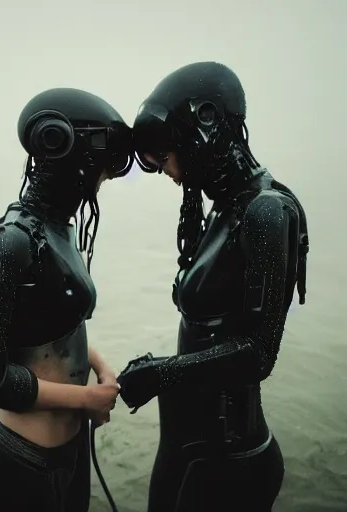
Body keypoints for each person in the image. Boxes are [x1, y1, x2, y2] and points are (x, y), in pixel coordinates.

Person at [118, 61, 310, 512]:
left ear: (204, 128)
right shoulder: (225, 208)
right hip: (187, 447)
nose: (167, 171)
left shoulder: (266, 211)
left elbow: (258, 353)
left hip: (229, 459)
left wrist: (161, 373)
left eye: (165, 157)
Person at [0, 87, 133, 512]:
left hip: (71, 458)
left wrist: (100, 366)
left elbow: (53, 330)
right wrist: (86, 400)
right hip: (18, 468)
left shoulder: (59, 229)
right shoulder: (10, 243)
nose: (102, 183)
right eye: (103, 172)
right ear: (71, 156)